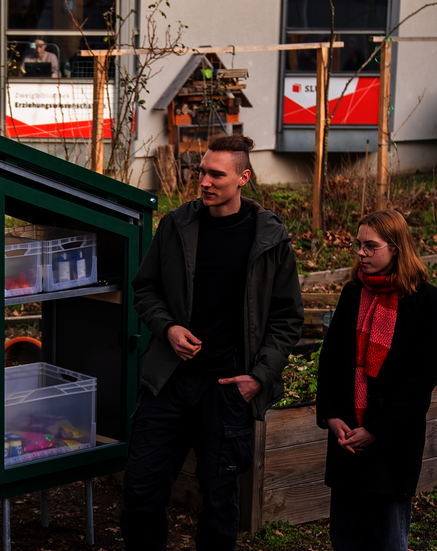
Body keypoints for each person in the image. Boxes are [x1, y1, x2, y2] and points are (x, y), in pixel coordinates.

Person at [123, 134, 304, 550]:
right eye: (201, 171)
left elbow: (286, 318)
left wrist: (258, 377)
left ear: (243, 177)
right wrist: (167, 328)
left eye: (215, 174)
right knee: (141, 493)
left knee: (221, 504)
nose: (203, 181)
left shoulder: (270, 238)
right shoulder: (177, 225)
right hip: (167, 383)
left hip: (226, 390)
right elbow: (145, 288)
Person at [316, 209, 437, 551]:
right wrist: (332, 416)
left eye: (370, 246)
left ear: (396, 249)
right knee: (346, 539)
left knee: (388, 540)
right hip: (347, 439)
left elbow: (420, 379)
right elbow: (329, 361)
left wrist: (375, 429)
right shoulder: (352, 295)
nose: (361, 252)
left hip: (391, 443)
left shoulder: (427, 302)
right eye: (358, 245)